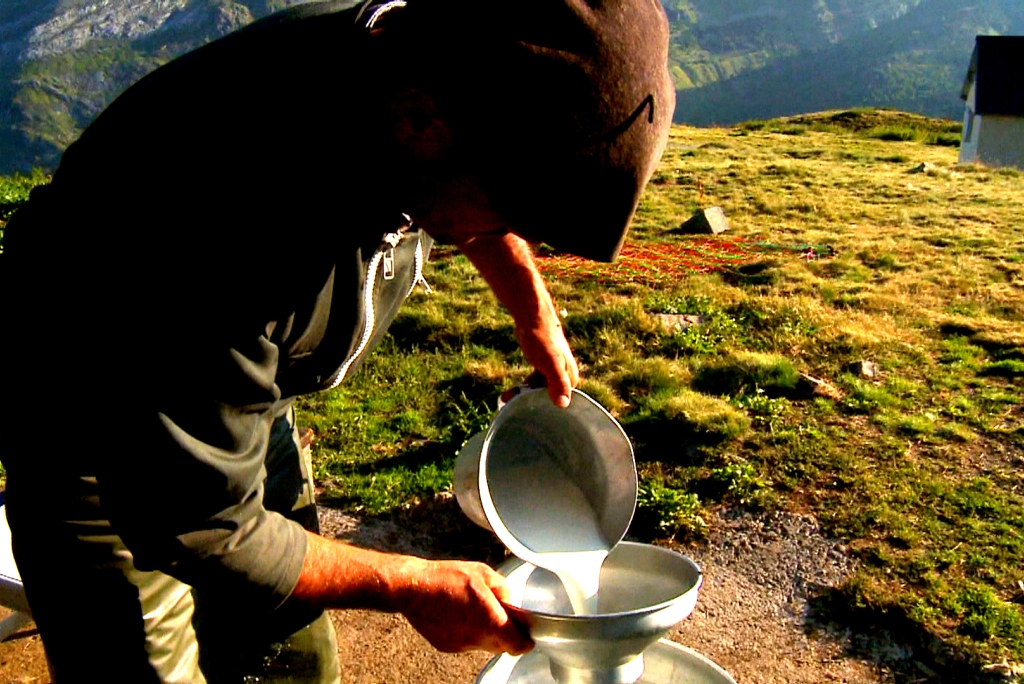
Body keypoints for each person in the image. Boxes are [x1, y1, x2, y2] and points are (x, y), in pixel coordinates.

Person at [0, 0, 674, 681]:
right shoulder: (223, 228)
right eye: (515, 209)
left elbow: (477, 182)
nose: (515, 231)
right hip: (92, 420)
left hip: (236, 392)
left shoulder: (420, 57)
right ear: (418, 121)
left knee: (292, 664)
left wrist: (532, 310)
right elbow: (200, 523)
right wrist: (408, 583)